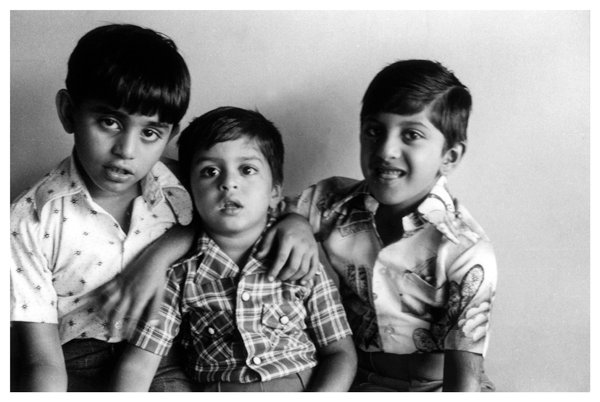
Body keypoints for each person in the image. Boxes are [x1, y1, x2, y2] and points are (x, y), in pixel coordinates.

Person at [10, 24, 318, 392]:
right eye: (109, 122)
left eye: (150, 132)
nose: (127, 150)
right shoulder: (29, 219)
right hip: (73, 359)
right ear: (68, 112)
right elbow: (41, 363)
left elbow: (244, 211)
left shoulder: (181, 183)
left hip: (163, 355)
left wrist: (296, 221)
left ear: (170, 135)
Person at [283, 60, 497, 391]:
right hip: (356, 379)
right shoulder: (332, 202)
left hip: (433, 387)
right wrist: (294, 221)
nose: (386, 150)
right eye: (374, 131)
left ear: (449, 157)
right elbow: (255, 212)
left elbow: (464, 380)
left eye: (411, 135)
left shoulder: (465, 249)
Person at [112, 107, 357, 392]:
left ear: (275, 191)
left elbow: (340, 354)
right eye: (210, 171)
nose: (228, 183)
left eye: (247, 169)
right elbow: (140, 363)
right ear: (190, 191)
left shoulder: (300, 258)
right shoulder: (179, 274)